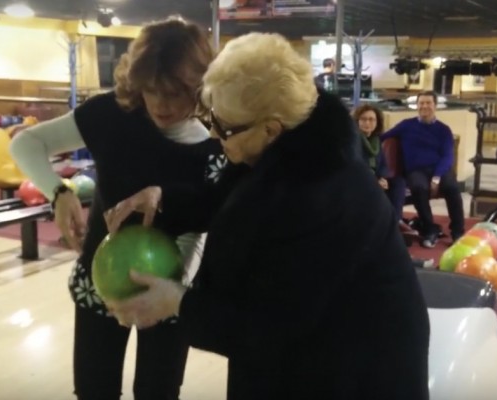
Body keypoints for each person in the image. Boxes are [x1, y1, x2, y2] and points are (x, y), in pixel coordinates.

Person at [104, 32, 430, 400]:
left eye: (222, 126)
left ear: (270, 128)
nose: (212, 132)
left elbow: (267, 325)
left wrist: (178, 302)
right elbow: (230, 204)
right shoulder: (282, 148)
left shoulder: (322, 197)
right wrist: (163, 200)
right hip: (304, 354)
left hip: (353, 371)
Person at [9, 17, 225, 400]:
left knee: (158, 391)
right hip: (99, 278)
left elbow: (199, 227)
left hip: (173, 289)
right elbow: (26, 144)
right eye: (151, 90)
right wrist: (59, 193)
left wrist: (171, 290)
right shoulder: (112, 114)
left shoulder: (215, 142)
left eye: (175, 93)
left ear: (199, 87)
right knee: (94, 389)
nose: (160, 104)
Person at [380, 91, 465, 248]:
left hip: (438, 169)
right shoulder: (406, 125)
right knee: (419, 188)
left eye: (428, 103)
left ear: (435, 106)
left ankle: (458, 232)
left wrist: (437, 177)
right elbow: (383, 137)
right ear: (417, 106)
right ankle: (429, 230)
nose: (425, 106)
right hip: (415, 170)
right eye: (421, 103)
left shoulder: (444, 130)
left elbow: (447, 156)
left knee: (452, 188)